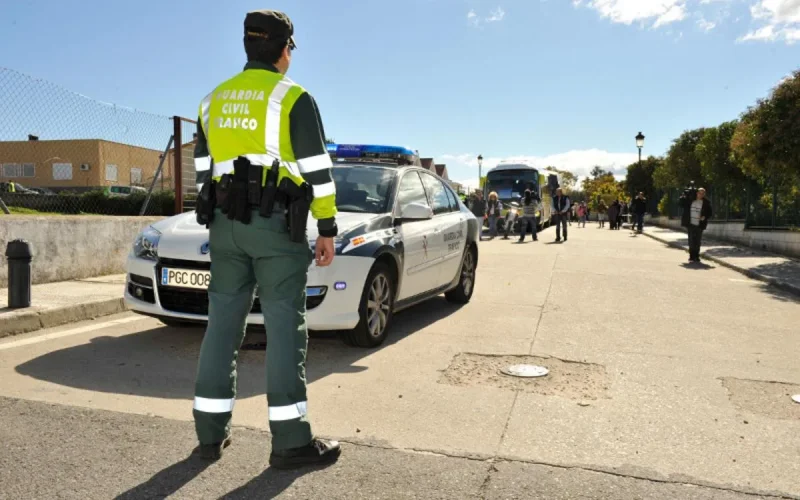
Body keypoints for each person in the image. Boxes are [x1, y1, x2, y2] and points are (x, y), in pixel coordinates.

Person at [190, 10, 341, 469]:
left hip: (225, 225)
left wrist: (219, 212)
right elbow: (318, 173)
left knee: (222, 326)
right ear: (284, 49)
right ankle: (291, 442)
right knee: (283, 328)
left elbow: (201, 172)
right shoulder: (293, 97)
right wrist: (328, 228)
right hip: (276, 227)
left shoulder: (211, 102)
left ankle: (209, 435)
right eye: (291, 48)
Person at [682, 187, 713, 262]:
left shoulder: (706, 203)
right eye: (700, 193)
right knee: (691, 240)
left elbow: (710, 213)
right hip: (690, 223)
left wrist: (704, 216)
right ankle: (691, 256)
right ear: (697, 193)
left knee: (698, 241)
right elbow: (681, 203)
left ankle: (697, 256)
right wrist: (684, 195)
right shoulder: (690, 200)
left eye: (703, 193)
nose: (701, 195)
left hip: (700, 224)